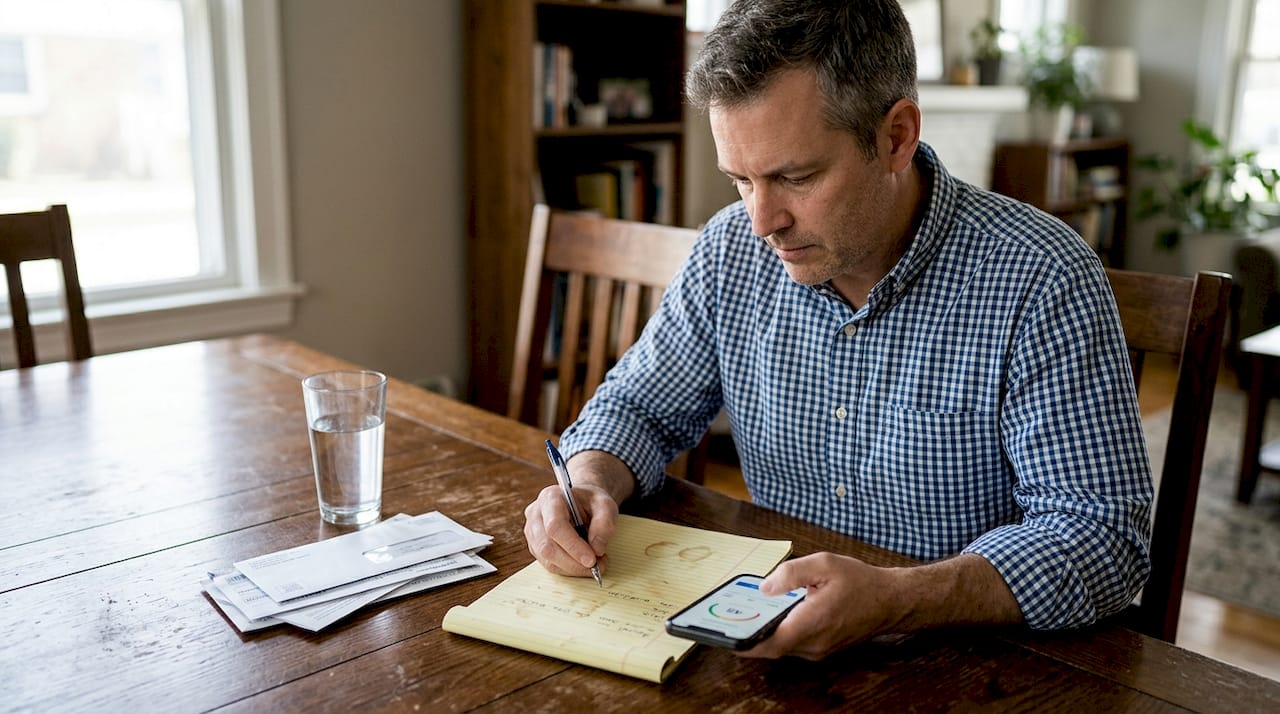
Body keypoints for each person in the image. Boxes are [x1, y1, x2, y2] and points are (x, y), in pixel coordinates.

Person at [523, 0, 1152, 660]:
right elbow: (638, 407)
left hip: (973, 666)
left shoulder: (1041, 277)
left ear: (896, 137)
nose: (762, 221)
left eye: (795, 177)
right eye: (741, 181)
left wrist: (900, 596)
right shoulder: (729, 251)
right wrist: (589, 482)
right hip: (773, 646)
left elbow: (1102, 535)